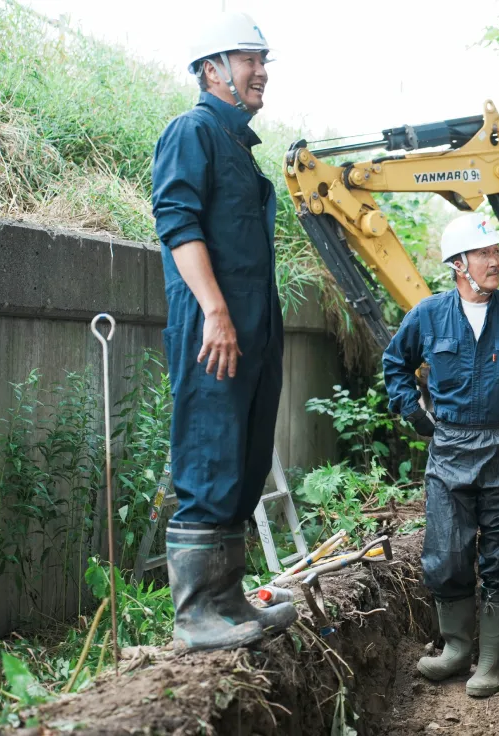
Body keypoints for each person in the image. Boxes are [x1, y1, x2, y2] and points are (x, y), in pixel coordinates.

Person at [150, 11, 296, 652]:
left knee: (245, 460)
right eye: (248, 60)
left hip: (253, 335)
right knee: (210, 456)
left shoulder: (238, 147)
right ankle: (193, 615)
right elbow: (177, 223)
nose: (261, 71)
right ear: (212, 70)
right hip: (215, 333)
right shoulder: (193, 132)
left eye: (263, 61)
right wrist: (213, 310)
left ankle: (229, 598)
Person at [382, 212, 499, 697]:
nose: (495, 261)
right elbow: (395, 365)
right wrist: (416, 414)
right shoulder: (428, 315)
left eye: (496, 253)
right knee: (445, 555)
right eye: (485, 254)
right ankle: (455, 651)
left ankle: (490, 662)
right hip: (449, 450)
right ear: (458, 264)